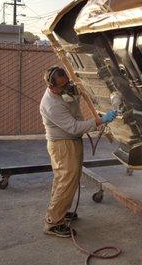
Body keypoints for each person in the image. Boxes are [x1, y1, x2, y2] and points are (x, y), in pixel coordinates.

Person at [39, 66, 117, 237]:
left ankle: (59, 212)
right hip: (63, 144)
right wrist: (100, 120)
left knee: (64, 180)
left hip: (69, 142)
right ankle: (53, 223)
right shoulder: (51, 105)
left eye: (67, 83)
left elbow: (72, 99)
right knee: (66, 182)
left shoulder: (62, 93)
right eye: (62, 86)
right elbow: (74, 127)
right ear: (51, 86)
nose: (66, 88)